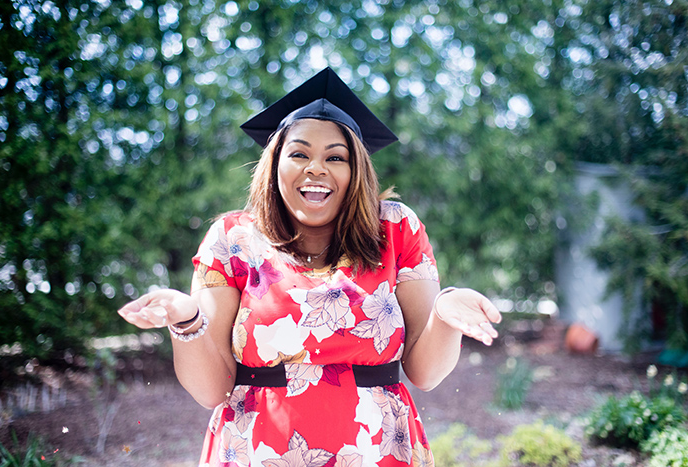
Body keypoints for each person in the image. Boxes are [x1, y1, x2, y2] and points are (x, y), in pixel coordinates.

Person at [117, 67, 501, 467]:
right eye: (299, 153)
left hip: (377, 450)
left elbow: (425, 373)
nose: (316, 168)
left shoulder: (396, 229)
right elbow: (210, 389)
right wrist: (186, 318)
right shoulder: (232, 240)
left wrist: (445, 313)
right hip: (258, 451)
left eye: (336, 157)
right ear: (274, 163)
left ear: (356, 172)